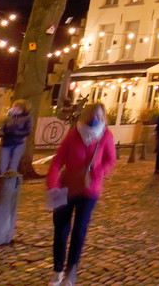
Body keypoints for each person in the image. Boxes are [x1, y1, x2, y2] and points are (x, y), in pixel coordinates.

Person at [46, 103, 116, 286]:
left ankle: (71, 271)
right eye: (94, 115)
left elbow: (111, 159)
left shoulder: (106, 135)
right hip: (66, 187)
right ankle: (58, 270)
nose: (97, 119)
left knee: (79, 230)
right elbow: (57, 160)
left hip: (90, 189)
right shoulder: (73, 134)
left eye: (101, 116)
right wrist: (52, 184)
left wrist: (97, 172)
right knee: (61, 230)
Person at [0, 99, 32, 176]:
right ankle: (1, 182)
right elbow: (1, 130)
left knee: (13, 165)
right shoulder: (8, 119)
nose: (14, 109)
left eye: (17, 107)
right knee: (3, 166)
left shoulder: (27, 119)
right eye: (14, 107)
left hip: (18, 144)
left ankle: (11, 184)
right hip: (6, 144)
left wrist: (15, 133)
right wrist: (2, 133)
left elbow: (28, 131)